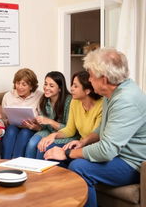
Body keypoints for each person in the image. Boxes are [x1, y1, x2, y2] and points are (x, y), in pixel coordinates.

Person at [44, 48, 146, 207]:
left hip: (132, 163)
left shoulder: (125, 101)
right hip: (116, 155)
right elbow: (102, 128)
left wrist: (67, 152)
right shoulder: (111, 93)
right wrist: (83, 142)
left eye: (91, 75)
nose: (89, 79)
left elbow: (106, 150)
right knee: (54, 160)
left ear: (104, 79)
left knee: (79, 166)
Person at [36, 70, 103, 160]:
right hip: (80, 143)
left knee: (49, 149)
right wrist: (53, 135)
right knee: (45, 146)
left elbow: (96, 136)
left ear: (87, 91)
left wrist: (81, 143)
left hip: (92, 147)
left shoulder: (101, 106)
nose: (71, 88)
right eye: (72, 85)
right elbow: (69, 129)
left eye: (75, 86)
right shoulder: (75, 102)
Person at [25, 71, 73, 159]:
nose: (46, 88)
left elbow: (69, 129)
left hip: (65, 134)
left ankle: (39, 170)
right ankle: (28, 169)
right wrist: (37, 126)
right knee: (32, 143)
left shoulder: (69, 101)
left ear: (60, 88)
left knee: (42, 147)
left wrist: (49, 121)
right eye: (45, 84)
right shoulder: (44, 99)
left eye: (51, 86)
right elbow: (45, 127)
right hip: (49, 131)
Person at [2, 68, 42, 159]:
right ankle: (4, 161)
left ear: (31, 86)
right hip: (13, 126)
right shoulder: (8, 96)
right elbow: (2, 118)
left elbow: (43, 118)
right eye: (17, 83)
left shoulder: (40, 96)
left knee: (25, 132)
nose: (20, 87)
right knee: (11, 129)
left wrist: (35, 126)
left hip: (30, 129)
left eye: (24, 84)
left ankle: (17, 162)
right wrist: (7, 122)